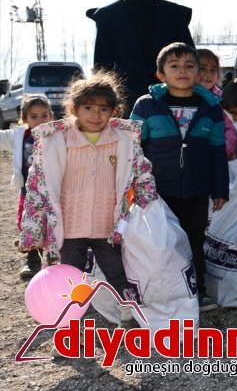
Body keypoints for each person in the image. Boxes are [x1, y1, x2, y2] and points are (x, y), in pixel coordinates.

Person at [18, 72, 157, 324]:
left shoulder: (123, 140)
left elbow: (141, 171)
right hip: (68, 227)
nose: (96, 115)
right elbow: (37, 186)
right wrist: (32, 230)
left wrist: (149, 201)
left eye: (104, 109)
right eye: (88, 108)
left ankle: (129, 313)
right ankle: (68, 322)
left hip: (107, 226)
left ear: (114, 111)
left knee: (117, 272)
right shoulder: (56, 140)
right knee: (68, 277)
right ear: (73, 109)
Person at [130, 42, 229, 312]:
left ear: (198, 73)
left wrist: (220, 189)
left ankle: (199, 293)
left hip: (197, 191)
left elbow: (218, 152)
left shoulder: (210, 107)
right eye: (174, 66)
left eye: (189, 66)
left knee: (195, 242)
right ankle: (166, 294)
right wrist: (135, 187)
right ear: (161, 74)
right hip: (158, 192)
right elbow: (133, 149)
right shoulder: (147, 106)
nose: (182, 71)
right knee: (162, 244)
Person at [87, 0, 195, 113]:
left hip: (171, 103)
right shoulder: (108, 16)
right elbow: (102, 69)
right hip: (125, 105)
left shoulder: (174, 14)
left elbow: (191, 60)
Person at [0, 95, 52, 278]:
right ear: (24, 119)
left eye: (44, 115)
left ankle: (53, 262)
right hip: (29, 193)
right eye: (34, 116)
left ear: (51, 116)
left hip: (54, 193)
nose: (40, 120)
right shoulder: (19, 136)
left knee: (54, 226)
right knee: (30, 226)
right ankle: (32, 262)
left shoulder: (58, 134)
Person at [198, 49, 237, 160]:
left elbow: (231, 129)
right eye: (202, 68)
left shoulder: (221, 100)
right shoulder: (181, 97)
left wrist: (222, 150)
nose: (208, 74)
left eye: (213, 70)